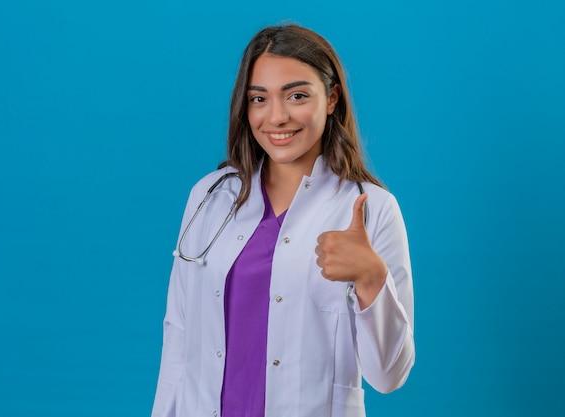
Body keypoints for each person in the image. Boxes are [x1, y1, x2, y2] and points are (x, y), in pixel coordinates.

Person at [151, 23, 415, 417]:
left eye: (296, 95)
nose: (276, 117)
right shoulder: (210, 197)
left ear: (331, 99)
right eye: (259, 98)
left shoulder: (370, 208)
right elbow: (179, 337)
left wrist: (371, 279)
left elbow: (389, 376)